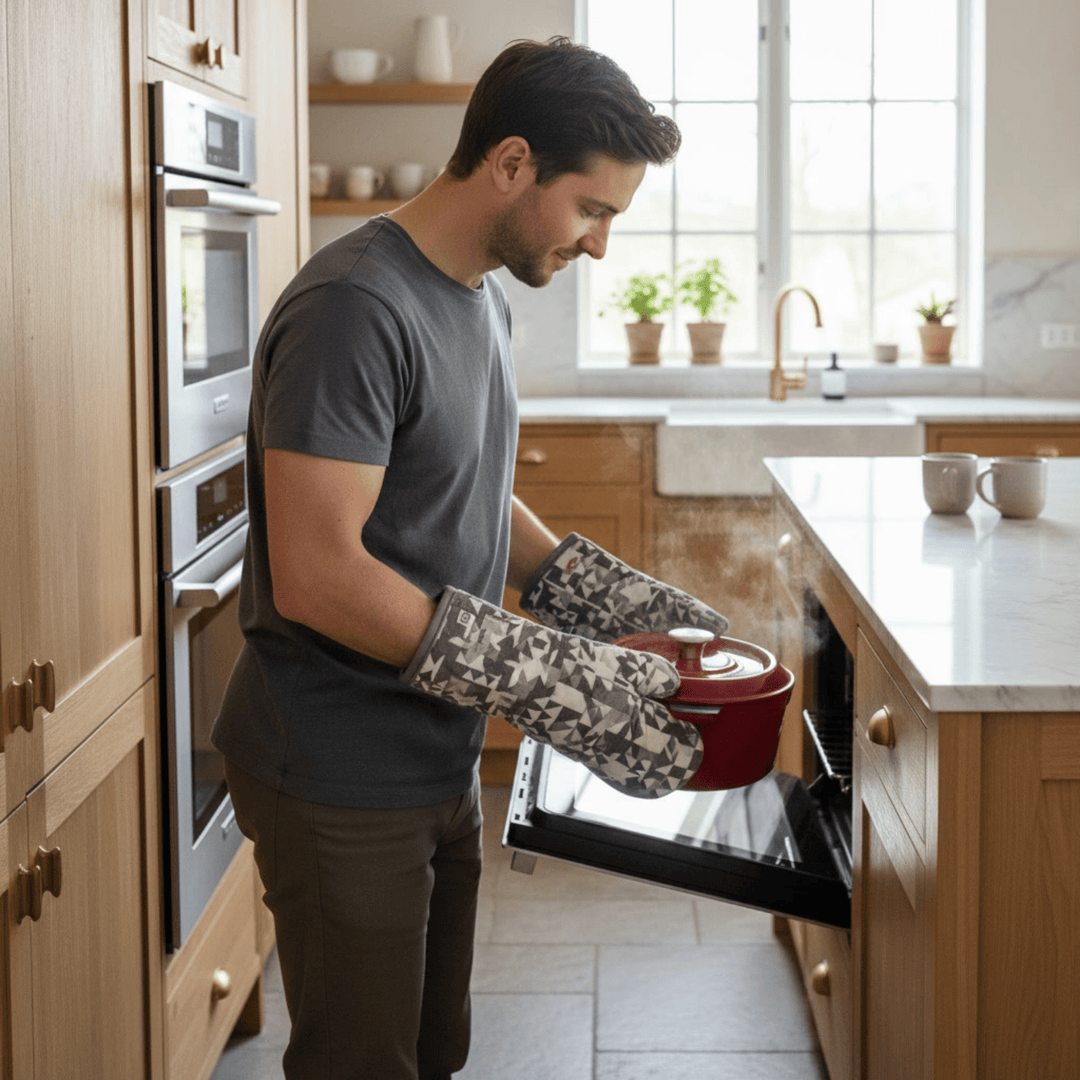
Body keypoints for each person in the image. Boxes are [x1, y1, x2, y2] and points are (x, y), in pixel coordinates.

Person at [211, 35, 728, 1080]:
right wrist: (552, 679)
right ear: (511, 164)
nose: (598, 248)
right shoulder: (355, 307)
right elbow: (319, 576)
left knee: (431, 1053)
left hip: (434, 756)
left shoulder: (478, 290)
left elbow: (462, 481)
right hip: (337, 767)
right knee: (365, 1065)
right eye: (593, 210)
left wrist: (600, 597)